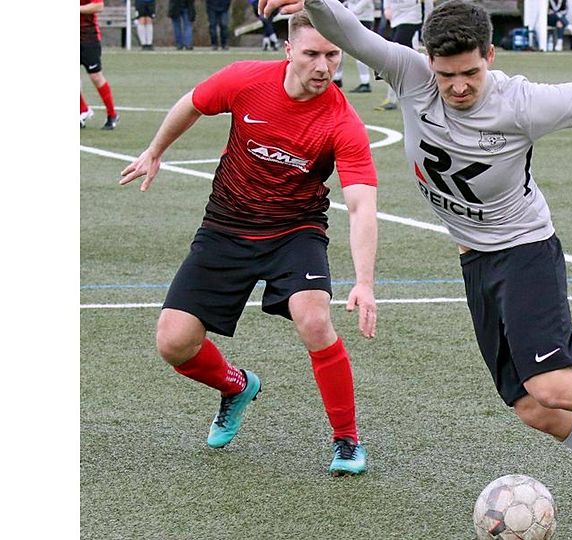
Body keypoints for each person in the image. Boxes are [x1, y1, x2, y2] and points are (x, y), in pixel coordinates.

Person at [259, 1, 572, 534]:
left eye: (471, 71)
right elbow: (343, 29)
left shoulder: (525, 104)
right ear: (428, 62)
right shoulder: (409, 74)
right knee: (534, 407)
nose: (460, 86)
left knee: (555, 384)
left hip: (525, 250)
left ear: (489, 55)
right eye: (447, 75)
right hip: (476, 261)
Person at [118, 9, 379, 476]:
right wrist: (155, 151)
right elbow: (193, 102)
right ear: (287, 50)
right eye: (312, 54)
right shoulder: (245, 80)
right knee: (174, 343)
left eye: (333, 55)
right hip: (226, 225)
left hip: (295, 231)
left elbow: (360, 204)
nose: (323, 67)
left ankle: (346, 440)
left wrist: (364, 280)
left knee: (314, 319)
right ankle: (237, 386)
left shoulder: (342, 121)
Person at [375, 0, 433, 110]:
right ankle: (420, 91)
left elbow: (428, 4)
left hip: (411, 19)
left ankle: (392, 98)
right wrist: (387, 8)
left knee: (396, 58)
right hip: (395, 20)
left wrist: (427, 23)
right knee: (409, 59)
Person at [80, 0, 119, 130]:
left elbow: (98, 5)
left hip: (88, 38)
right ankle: (83, 110)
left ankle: (112, 114)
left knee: (96, 77)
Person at [332, 0, 375, 92]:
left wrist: (356, 9)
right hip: (348, 18)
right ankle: (337, 79)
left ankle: (365, 83)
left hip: (364, 19)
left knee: (360, 51)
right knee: (339, 47)